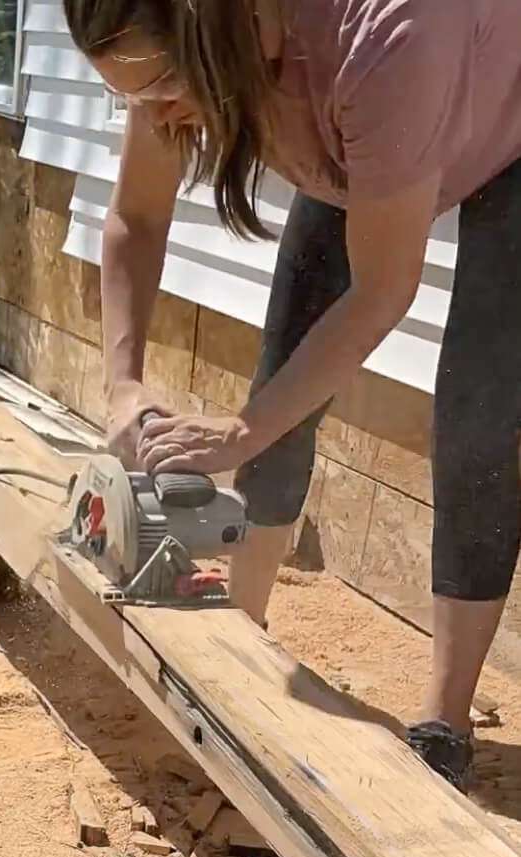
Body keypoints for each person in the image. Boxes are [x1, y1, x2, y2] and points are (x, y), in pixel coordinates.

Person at [62, 0, 521, 791]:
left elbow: (382, 292)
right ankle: (244, 632)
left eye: (166, 88)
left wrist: (241, 431)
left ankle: (444, 722)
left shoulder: (386, 40)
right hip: (363, 121)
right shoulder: (187, 51)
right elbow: (136, 218)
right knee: (283, 373)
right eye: (132, 97)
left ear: (218, 32)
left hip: (509, 129)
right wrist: (123, 386)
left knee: (480, 423)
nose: (159, 114)